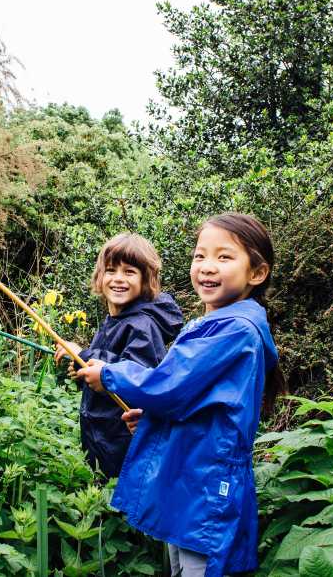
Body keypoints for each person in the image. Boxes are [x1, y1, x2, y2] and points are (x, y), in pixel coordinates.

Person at [77, 213, 280, 577]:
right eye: (200, 256)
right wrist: (157, 422)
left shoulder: (234, 331)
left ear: (257, 273)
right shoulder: (212, 323)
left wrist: (107, 373)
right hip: (188, 476)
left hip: (205, 485)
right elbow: (197, 404)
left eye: (224, 257)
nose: (207, 267)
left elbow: (168, 387)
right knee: (180, 566)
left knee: (200, 567)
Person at [55, 233, 183, 479]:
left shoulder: (142, 325)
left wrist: (84, 353)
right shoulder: (115, 319)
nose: (118, 279)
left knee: (117, 508)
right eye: (111, 270)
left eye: (130, 272)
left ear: (146, 279)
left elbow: (136, 378)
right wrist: (82, 370)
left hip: (122, 442)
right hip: (100, 435)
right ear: (100, 277)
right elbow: (107, 367)